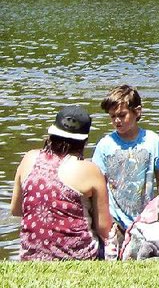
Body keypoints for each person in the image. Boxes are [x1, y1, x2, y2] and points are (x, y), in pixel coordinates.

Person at [10, 106, 112, 261]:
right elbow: (104, 229)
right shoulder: (90, 170)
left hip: (30, 256)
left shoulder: (28, 158)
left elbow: (16, 210)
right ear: (84, 140)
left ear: (52, 134)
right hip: (78, 257)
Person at [93, 85, 159, 259]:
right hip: (115, 221)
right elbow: (98, 186)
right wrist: (103, 219)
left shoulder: (152, 140)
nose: (117, 121)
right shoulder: (105, 145)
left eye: (122, 115)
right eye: (112, 117)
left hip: (146, 218)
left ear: (137, 112)